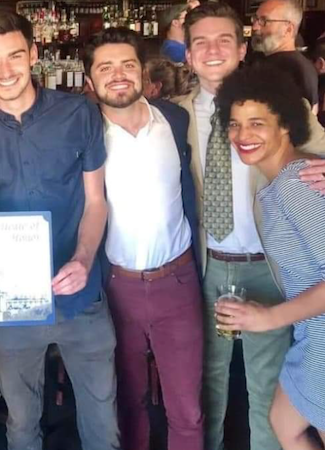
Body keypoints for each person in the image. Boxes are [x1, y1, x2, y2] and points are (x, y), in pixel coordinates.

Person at [174, 4, 325, 449]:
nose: (212, 50)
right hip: (208, 267)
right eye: (200, 41)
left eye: (224, 39)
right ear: (187, 55)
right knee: (208, 386)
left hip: (277, 270)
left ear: (243, 48)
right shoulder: (174, 116)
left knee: (269, 391)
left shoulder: (284, 107)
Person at [0, 11, 119, 450]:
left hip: (81, 298)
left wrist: (84, 259)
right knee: (20, 425)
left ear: (34, 55)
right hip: (11, 309)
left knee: (102, 423)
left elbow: (96, 201)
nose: (5, 70)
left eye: (15, 56)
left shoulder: (77, 114)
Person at [84, 27, 204, 450]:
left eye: (127, 65)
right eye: (106, 67)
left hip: (179, 282)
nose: (118, 75)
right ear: (89, 80)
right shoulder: (81, 134)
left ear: (143, 71)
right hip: (115, 286)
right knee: (127, 404)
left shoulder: (175, 120)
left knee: (187, 409)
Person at [214, 65, 325, 450]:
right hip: (311, 334)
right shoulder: (274, 186)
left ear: (285, 126)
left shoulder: (297, 185)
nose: (243, 136)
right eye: (235, 124)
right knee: (283, 421)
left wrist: (268, 318)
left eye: (257, 123)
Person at [251, 0, 319, 113]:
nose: (255, 27)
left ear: (288, 29)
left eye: (264, 21)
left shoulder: (282, 68)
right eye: (255, 19)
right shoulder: (306, 65)